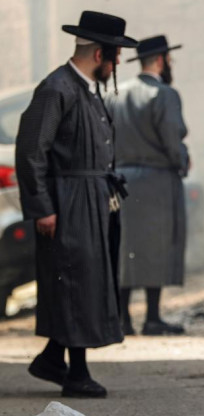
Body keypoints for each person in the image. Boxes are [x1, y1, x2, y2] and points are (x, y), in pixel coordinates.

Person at [15, 11, 138, 398]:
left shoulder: (86, 89)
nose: (118, 62)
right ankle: (75, 372)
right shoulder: (57, 89)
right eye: (115, 55)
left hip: (92, 201)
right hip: (67, 203)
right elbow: (31, 152)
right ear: (100, 53)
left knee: (85, 281)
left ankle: (54, 358)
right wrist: (43, 208)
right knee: (74, 282)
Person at [104, 35, 188, 336]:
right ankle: (152, 317)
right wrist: (182, 162)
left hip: (122, 182)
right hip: (157, 180)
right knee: (158, 247)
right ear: (162, 60)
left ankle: (123, 318)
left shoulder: (115, 93)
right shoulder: (164, 94)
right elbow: (171, 139)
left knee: (126, 248)